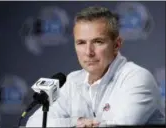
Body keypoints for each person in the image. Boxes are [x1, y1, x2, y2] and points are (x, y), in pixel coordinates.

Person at [26, 6, 165, 127]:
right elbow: (34, 123)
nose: (88, 52)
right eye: (81, 43)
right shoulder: (72, 81)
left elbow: (119, 127)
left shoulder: (137, 78)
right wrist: (77, 122)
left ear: (116, 45)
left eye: (98, 42)